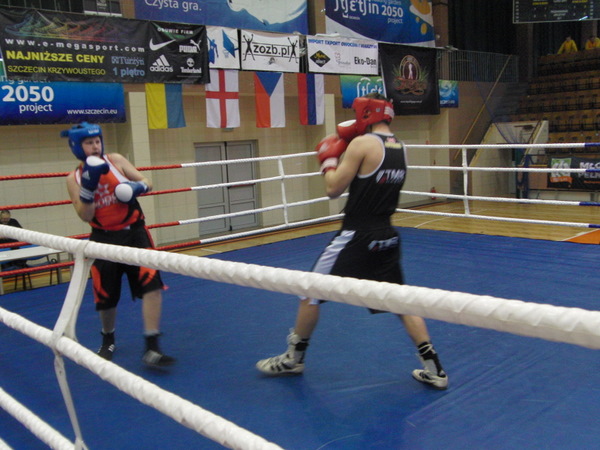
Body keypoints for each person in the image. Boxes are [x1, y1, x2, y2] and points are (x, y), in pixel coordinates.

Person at [256, 93, 448, 390]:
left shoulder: (362, 144)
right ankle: (434, 368)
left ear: (367, 113)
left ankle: (294, 358)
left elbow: (333, 188)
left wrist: (328, 159)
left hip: (356, 234)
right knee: (401, 301)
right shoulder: (400, 146)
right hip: (387, 235)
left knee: (310, 292)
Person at [62, 122, 175, 368]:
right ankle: (108, 339)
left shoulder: (116, 160)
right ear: (77, 147)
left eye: (97, 141)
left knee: (151, 286)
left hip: (135, 234)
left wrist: (136, 187)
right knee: (106, 296)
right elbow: (85, 216)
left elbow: (147, 181)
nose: (95, 146)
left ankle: (152, 346)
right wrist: (88, 189)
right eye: (88, 143)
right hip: (103, 240)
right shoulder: (74, 178)